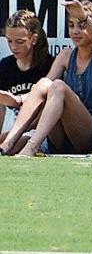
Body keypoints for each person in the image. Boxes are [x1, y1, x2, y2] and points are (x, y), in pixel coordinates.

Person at [11, 0, 92, 156]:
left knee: (58, 86)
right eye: (71, 25)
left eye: (81, 26)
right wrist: (18, 99)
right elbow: (42, 89)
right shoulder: (66, 55)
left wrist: (84, 17)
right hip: (64, 136)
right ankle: (9, 143)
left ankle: (32, 147)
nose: (75, 31)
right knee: (45, 83)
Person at [0, 11, 54, 155]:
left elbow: (49, 108)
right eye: (9, 41)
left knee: (23, 139)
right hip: (9, 124)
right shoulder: (5, 65)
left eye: (20, 41)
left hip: (36, 130)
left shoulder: (49, 65)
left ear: (33, 39)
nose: (13, 47)